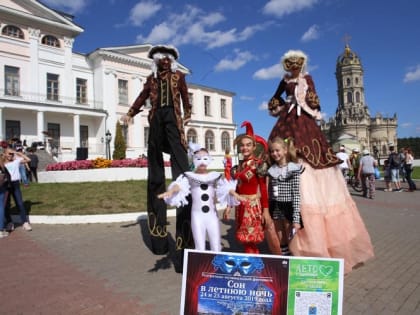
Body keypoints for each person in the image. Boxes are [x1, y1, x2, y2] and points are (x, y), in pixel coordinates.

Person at [267, 49, 374, 273]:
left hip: (304, 122)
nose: (293, 66)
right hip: (288, 120)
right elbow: (275, 98)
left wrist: (311, 103)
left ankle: (323, 249)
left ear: (301, 64)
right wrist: (278, 105)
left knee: (313, 160)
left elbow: (314, 99)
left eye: (296, 63)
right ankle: (296, 248)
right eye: (290, 63)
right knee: (283, 155)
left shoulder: (308, 79)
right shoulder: (284, 81)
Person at [121, 45, 192, 272]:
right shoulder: (151, 79)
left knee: (181, 175)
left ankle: (184, 245)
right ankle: (159, 239)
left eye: (168, 58)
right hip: (156, 120)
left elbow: (185, 96)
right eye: (162, 58)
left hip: (173, 118)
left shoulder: (178, 76)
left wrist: (188, 114)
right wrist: (131, 113)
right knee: (155, 175)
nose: (165, 61)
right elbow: (143, 97)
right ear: (157, 61)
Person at [158, 143, 238, 252]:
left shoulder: (214, 175)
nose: (202, 161)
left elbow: (225, 187)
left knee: (216, 246)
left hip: (212, 216)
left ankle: (215, 267)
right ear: (194, 160)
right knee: (199, 247)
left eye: (205, 158)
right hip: (197, 217)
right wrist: (172, 190)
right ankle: (201, 267)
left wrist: (236, 194)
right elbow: (180, 185)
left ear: (209, 160)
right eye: (198, 158)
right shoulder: (190, 176)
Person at [223, 121, 270, 254]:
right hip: (241, 206)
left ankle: (254, 265)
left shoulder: (258, 165)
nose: (245, 148)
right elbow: (236, 189)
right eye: (242, 145)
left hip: (252, 206)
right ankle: (252, 266)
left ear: (254, 147)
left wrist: (265, 211)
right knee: (245, 241)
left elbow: (263, 188)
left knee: (251, 240)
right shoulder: (238, 167)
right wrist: (229, 206)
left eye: (248, 145)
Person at [265, 137, 304, 256]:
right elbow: (270, 192)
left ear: (285, 150)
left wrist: (296, 219)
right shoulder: (272, 170)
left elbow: (296, 194)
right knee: (280, 238)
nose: (274, 153)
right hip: (276, 207)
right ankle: (284, 262)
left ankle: (294, 264)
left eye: (277, 150)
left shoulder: (293, 168)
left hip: (288, 208)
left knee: (291, 240)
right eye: (272, 151)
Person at [3, 147, 32, 231]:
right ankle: (9, 222)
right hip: (6, 185)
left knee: (19, 203)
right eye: (9, 153)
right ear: (5, 154)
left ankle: (25, 222)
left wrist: (17, 152)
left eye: (12, 154)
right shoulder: (3, 163)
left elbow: (28, 160)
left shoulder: (16, 161)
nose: (11, 155)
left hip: (15, 184)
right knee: (6, 205)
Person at [0, 150, 11, 238]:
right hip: (1, 187)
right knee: (1, 207)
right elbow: (7, 176)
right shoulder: (2, 165)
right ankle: (0, 230)